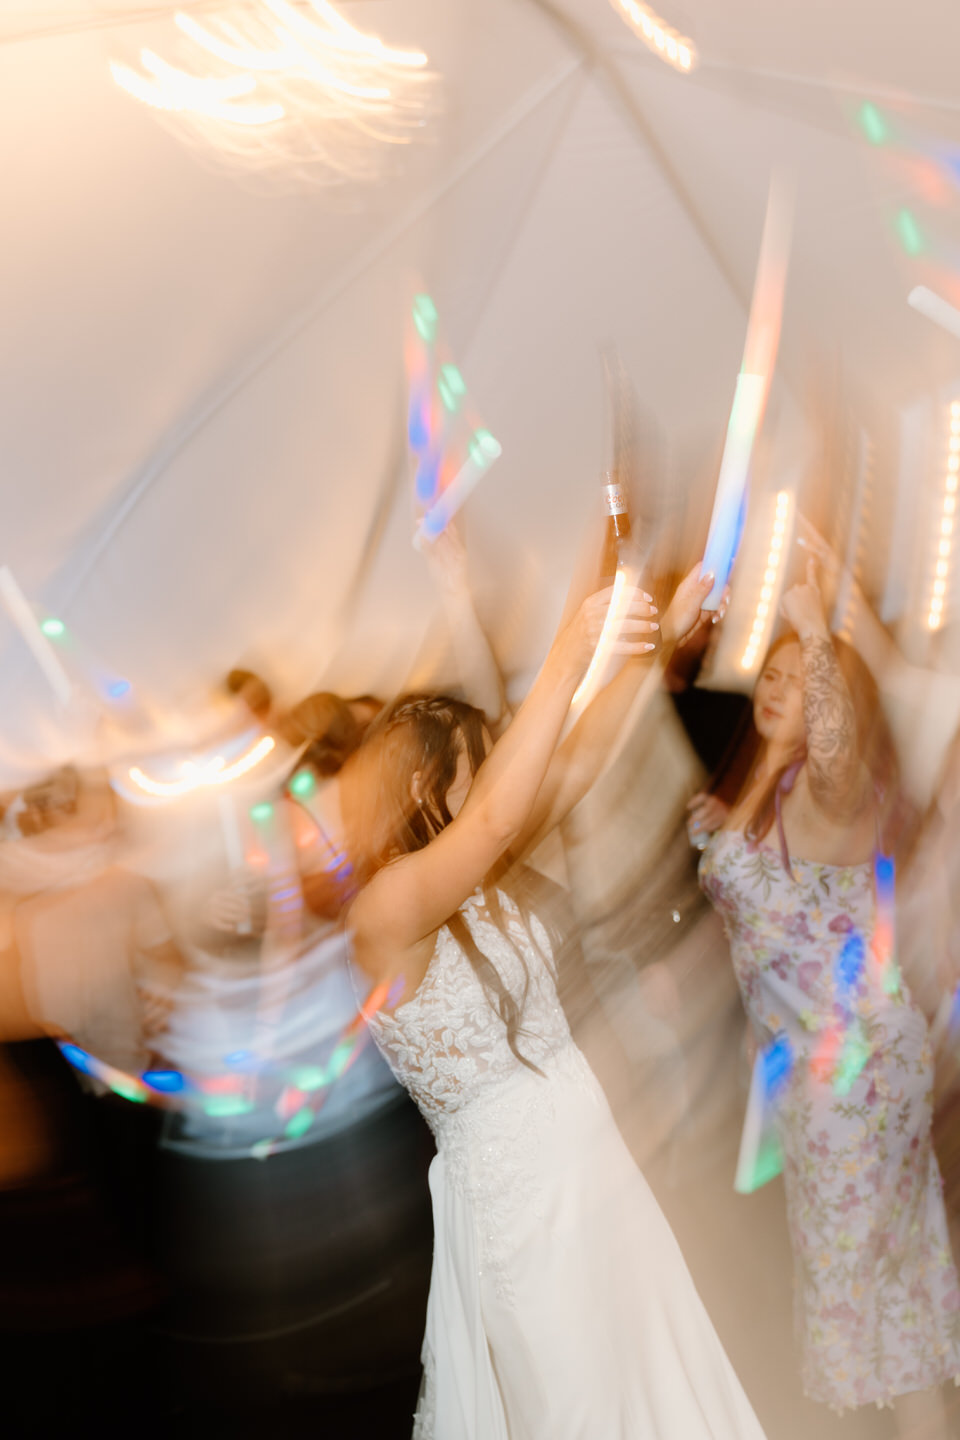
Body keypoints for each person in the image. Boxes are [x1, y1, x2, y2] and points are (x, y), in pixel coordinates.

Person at [341, 563, 767, 1439]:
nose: (505, 777)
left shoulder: (481, 874)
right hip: (520, 1196)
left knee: (649, 1371)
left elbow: (571, 761)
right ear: (429, 791)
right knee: (575, 1403)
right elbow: (498, 815)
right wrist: (570, 649)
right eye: (481, 765)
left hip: (594, 1169)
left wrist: (653, 648)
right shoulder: (385, 910)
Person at [697, 560, 960, 1430]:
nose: (776, 684)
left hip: (856, 1080)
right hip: (828, 1081)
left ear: (830, 696)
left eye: (797, 674)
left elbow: (835, 748)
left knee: (854, 1307)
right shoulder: (764, 790)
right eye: (768, 672)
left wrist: (814, 626)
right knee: (895, 1310)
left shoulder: (828, 787)